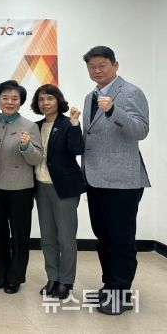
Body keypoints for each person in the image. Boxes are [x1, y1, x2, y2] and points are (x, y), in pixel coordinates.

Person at [82, 46, 149, 315]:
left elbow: (141, 130)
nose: (97, 71)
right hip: (95, 178)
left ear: (115, 65)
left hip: (123, 180)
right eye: (92, 67)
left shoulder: (131, 92)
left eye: (102, 65)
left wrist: (113, 111)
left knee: (121, 239)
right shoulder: (90, 97)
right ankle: (109, 285)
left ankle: (121, 292)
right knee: (103, 237)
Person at [0, 80, 43, 294]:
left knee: (19, 234)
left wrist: (26, 147)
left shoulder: (29, 126)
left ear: (21, 102)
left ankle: (15, 277)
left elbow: (37, 158)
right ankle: (1, 274)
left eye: (15, 98)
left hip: (20, 188)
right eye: (5, 98)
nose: (9, 102)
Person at [30, 84, 85, 300]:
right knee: (47, 237)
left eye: (50, 99)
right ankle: (52, 277)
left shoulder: (67, 123)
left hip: (64, 188)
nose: (45, 103)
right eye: (41, 99)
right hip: (41, 186)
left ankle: (66, 281)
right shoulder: (35, 126)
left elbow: (77, 149)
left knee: (66, 238)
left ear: (58, 101)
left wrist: (75, 123)